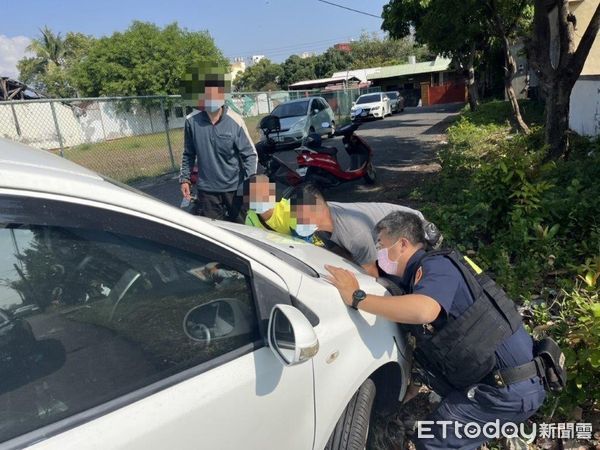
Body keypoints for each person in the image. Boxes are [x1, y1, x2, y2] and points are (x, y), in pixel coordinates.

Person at [325, 211, 546, 450]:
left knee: (433, 442)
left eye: (381, 245)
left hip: (507, 390)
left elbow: (424, 311)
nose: (378, 253)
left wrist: (357, 297)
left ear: (402, 244)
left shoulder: (437, 266)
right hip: (500, 386)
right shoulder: (419, 276)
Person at [290, 183, 440, 277]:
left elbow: (372, 274)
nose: (299, 222)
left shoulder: (354, 235)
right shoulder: (324, 217)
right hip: (383, 233)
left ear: (320, 211)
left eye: (302, 217)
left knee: (411, 276)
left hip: (414, 228)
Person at [179, 64, 257, 222]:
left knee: (243, 230)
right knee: (218, 233)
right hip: (207, 192)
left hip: (235, 189)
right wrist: (185, 179)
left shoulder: (235, 121)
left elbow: (250, 155)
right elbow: (188, 153)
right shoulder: (191, 121)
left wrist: (249, 182)